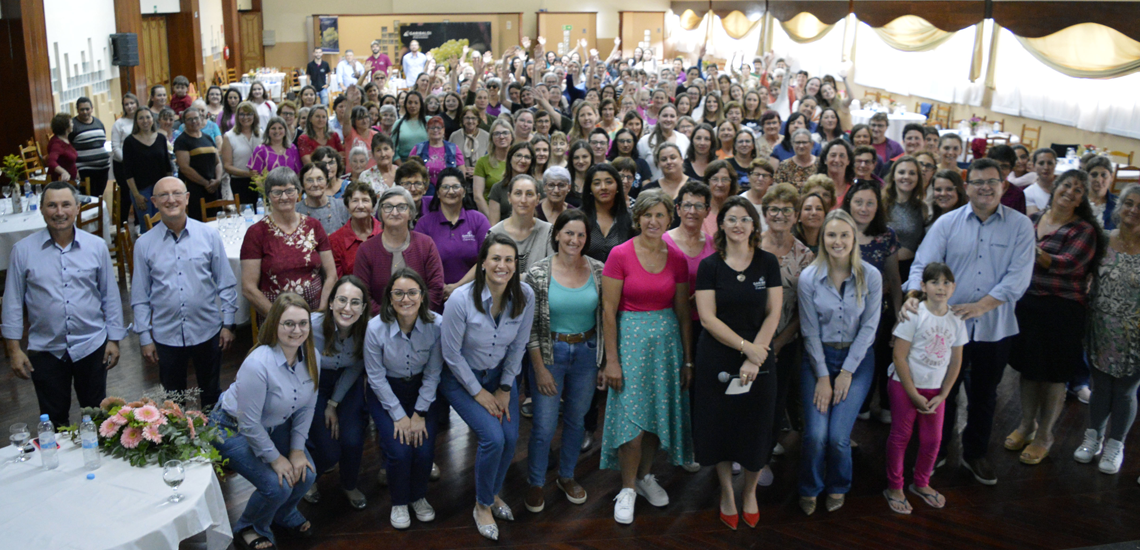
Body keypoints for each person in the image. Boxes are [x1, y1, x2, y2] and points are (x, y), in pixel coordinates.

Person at [903, 158, 1035, 485]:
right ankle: (937, 449)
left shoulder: (1020, 226)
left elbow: (1018, 278)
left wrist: (980, 307)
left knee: (985, 395)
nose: (985, 188)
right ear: (967, 187)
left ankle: (974, 453)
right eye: (977, 182)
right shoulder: (947, 223)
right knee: (942, 390)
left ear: (1003, 186)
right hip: (946, 327)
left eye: (992, 181)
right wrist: (913, 294)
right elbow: (922, 264)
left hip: (994, 326)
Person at [601, 189, 695, 525]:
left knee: (656, 418)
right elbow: (608, 311)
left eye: (660, 215)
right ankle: (627, 488)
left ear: (670, 218)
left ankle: (644, 476)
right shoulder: (620, 254)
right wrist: (612, 360)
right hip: (630, 343)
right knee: (632, 422)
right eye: (647, 215)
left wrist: (687, 360)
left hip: (666, 347)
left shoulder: (678, 259)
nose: (653, 221)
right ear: (637, 218)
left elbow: (683, 313)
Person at [2, 181, 125, 427]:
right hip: (46, 350)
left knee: (97, 418)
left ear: (77, 208)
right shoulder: (22, 251)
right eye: (52, 205)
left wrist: (114, 339)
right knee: (53, 420)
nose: (59, 212)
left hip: (91, 345)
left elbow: (110, 296)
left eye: (66, 205)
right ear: (41, 209)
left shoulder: (96, 247)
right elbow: (12, 302)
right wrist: (14, 350)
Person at [693, 196, 782, 530]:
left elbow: (774, 312)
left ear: (754, 225)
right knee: (721, 428)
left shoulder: (767, 262)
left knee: (757, 427)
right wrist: (746, 348)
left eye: (745, 219)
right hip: (718, 355)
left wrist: (756, 356)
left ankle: (750, 492)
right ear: (721, 225)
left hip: (760, 354)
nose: (738, 225)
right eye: (731, 219)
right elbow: (707, 318)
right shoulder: (709, 266)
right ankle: (728, 493)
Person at [439, 234, 536, 540]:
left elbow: (519, 345)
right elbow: (451, 354)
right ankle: (482, 505)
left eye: (509, 260)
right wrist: (478, 392)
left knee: (510, 437)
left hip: (499, 377)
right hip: (461, 379)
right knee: (493, 438)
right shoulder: (460, 300)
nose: (502, 265)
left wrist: (505, 387)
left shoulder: (525, 295)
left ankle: (492, 493)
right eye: (495, 258)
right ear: (482, 263)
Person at [1007, 169, 1103, 465]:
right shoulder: (1034, 220)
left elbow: (1065, 263)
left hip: (1062, 311)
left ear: (1082, 199)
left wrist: (1027, 248)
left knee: (1054, 376)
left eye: (1078, 190)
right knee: (1029, 370)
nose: (1070, 192)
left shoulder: (1084, 230)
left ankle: (1045, 435)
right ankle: (1027, 424)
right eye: (1066, 185)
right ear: (1055, 188)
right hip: (1028, 306)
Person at [209, 293, 318, 550]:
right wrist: (275, 458)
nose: (297, 330)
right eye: (288, 323)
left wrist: (296, 450)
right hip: (231, 427)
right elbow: (248, 423)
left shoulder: (312, 356)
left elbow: (307, 406)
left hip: (271, 425)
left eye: (303, 323)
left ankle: (282, 513)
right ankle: (249, 527)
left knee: (306, 474)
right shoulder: (258, 364)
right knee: (277, 485)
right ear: (275, 324)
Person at [796, 209, 882, 515]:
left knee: (837, 437)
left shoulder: (871, 276)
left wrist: (846, 372)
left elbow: (869, 328)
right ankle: (809, 487)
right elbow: (809, 331)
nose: (838, 241)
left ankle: (838, 485)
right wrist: (823, 376)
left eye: (844, 235)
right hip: (817, 358)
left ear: (854, 238)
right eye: (831, 235)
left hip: (857, 361)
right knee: (815, 435)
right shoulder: (809, 277)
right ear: (823, 238)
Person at [523, 210, 606, 513]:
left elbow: (605, 318)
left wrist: (604, 361)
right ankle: (535, 482)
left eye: (581, 234)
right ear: (556, 234)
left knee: (576, 420)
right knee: (544, 425)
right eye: (569, 233)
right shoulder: (538, 273)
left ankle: (567, 476)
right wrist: (540, 369)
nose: (575, 239)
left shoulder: (599, 271)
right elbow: (530, 327)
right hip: (550, 353)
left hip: (586, 352)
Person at [131, 177, 237, 409]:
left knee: (211, 395)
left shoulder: (209, 235)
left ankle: (212, 431)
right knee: (173, 402)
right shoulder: (144, 244)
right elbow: (140, 296)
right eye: (164, 195)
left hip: (207, 330)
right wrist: (145, 337)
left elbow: (226, 282)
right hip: (166, 335)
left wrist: (228, 324)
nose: (171, 200)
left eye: (177, 193)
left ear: (187, 198)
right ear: (154, 202)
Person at [883, 263, 966, 514]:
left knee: (933, 440)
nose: (941, 287)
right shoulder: (914, 314)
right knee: (901, 437)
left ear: (953, 287)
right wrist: (913, 394)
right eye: (934, 282)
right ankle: (895, 487)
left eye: (946, 282)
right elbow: (899, 357)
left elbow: (956, 361)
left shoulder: (956, 318)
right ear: (923, 286)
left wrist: (943, 394)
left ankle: (921, 482)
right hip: (905, 386)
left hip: (935, 391)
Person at [364, 268, 443, 528]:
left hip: (422, 392)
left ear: (422, 296)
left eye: (412, 293)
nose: (405, 299)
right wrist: (399, 416)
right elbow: (375, 377)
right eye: (398, 293)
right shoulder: (375, 328)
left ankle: (418, 497)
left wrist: (419, 413)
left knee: (424, 449)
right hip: (386, 392)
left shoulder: (436, 325)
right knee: (399, 451)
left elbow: (433, 373)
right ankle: (399, 502)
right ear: (389, 297)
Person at [1077, 183, 1140, 475]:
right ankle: (1093, 437)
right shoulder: (1102, 239)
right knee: (1100, 386)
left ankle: (1116, 444)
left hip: (1136, 334)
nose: (1134, 210)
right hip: (1101, 325)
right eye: (1129, 203)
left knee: (1125, 391)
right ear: (1119, 206)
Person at [304, 275, 371, 510]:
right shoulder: (311, 326)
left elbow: (356, 367)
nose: (347, 308)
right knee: (328, 448)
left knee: (352, 438)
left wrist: (333, 403)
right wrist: (324, 404)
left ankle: (349, 485)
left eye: (355, 302)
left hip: (348, 384)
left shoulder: (367, 331)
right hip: (314, 385)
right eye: (342, 300)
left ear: (363, 308)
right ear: (331, 302)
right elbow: (305, 372)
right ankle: (308, 479)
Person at [842, 180, 903, 422]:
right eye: (858, 202)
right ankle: (853, 410)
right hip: (842, 314)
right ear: (849, 203)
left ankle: (870, 405)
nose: (864, 208)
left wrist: (899, 317)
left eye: (870, 203)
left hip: (877, 311)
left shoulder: (887, 235)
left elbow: (894, 279)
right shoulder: (838, 230)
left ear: (878, 206)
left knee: (876, 359)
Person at [242, 167, 338, 315]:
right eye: (277, 192)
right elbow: (248, 288)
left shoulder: (314, 226)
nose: (284, 197)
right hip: (275, 316)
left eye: (289, 191)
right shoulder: (256, 233)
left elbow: (331, 275)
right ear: (268, 195)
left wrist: (321, 311)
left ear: (298, 192)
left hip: (315, 314)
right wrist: (278, 319)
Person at [415, 167, 490, 301]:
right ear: (438, 193)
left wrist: (457, 287)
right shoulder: (424, 224)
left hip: (473, 295)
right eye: (445, 187)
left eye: (456, 187)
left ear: (464, 191)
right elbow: (418, 263)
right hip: (434, 296)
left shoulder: (479, 220)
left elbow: (486, 259)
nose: (451, 192)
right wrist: (440, 287)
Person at [488, 175, 554, 275]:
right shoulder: (494, 233)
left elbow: (552, 272)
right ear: (509, 197)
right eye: (518, 193)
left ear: (538, 199)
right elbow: (490, 272)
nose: (523, 200)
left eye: (529, 194)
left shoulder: (548, 231)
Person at [122, 107, 172, 227]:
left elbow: (167, 166)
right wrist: (136, 195)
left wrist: (169, 190)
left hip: (161, 189)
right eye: (141, 118)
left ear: (152, 119)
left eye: (148, 117)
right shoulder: (129, 141)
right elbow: (128, 172)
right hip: (141, 191)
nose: (145, 121)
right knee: (147, 227)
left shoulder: (160, 138)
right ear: (136, 121)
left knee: (164, 224)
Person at [174, 107, 220, 221]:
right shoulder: (182, 141)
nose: (194, 121)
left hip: (213, 187)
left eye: (196, 118)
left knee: (215, 219)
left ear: (201, 118)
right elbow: (184, 168)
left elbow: (218, 162)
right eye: (189, 119)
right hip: (195, 190)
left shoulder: (207, 138)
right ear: (184, 122)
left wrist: (218, 180)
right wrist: (205, 183)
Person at [582, 164, 635, 262]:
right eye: (597, 183)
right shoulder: (579, 217)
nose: (603, 187)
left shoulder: (630, 218)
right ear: (589, 188)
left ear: (618, 186)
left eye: (609, 182)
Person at [329, 182, 379, 278]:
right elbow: (338, 280)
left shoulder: (386, 232)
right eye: (355, 201)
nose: (360, 206)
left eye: (365, 200)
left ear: (373, 207)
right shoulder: (335, 240)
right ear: (347, 207)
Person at [70, 97, 112, 196]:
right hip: (84, 171)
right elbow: (68, 148)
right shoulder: (72, 125)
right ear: (77, 110)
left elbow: (102, 141)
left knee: (99, 197)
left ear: (92, 109)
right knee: (89, 198)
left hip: (103, 169)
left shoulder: (98, 122)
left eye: (87, 109)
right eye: (82, 109)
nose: (85, 112)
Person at [488, 142, 537, 225]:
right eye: (518, 156)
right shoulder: (498, 188)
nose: (523, 160)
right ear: (510, 158)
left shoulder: (538, 186)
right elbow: (493, 225)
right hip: (504, 232)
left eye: (527, 157)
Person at [638, 104, 690, 181]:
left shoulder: (684, 139)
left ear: (677, 119)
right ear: (658, 117)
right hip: (653, 186)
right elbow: (640, 168)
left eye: (672, 116)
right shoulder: (644, 141)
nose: (668, 119)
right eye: (665, 116)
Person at [295, 163, 349, 234]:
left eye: (320, 179)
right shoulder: (295, 210)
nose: (315, 184)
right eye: (310, 180)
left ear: (327, 182)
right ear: (302, 185)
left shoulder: (342, 207)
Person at [111, 93, 139, 216]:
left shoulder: (141, 120)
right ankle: (122, 223)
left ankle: (139, 221)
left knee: (139, 193)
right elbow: (115, 147)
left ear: (137, 104)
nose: (130, 106)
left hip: (138, 164)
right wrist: (127, 161)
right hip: (122, 164)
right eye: (126, 104)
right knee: (126, 195)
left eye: (132, 103)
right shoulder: (119, 123)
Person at [451, 106, 491, 181]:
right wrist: (462, 170)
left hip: (482, 178)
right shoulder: (454, 136)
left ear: (478, 120)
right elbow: (450, 159)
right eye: (467, 118)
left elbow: (491, 160)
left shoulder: (487, 136)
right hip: (459, 178)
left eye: (473, 118)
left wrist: (478, 171)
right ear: (462, 120)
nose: (470, 121)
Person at [818, 139, 854, 209]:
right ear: (825, 160)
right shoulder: (816, 187)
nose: (837, 160)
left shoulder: (854, 188)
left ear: (848, 161)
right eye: (833, 155)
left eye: (842, 156)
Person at [45, 113, 79, 182]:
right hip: (59, 182)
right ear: (65, 126)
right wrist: (63, 172)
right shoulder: (57, 143)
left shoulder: (65, 139)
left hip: (71, 181)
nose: (73, 124)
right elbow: (51, 161)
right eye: (71, 123)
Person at [1087, 156, 1118, 230]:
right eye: (1094, 175)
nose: (1098, 179)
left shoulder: (1117, 205)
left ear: (1112, 177)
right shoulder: (1078, 201)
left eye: (1104, 175)